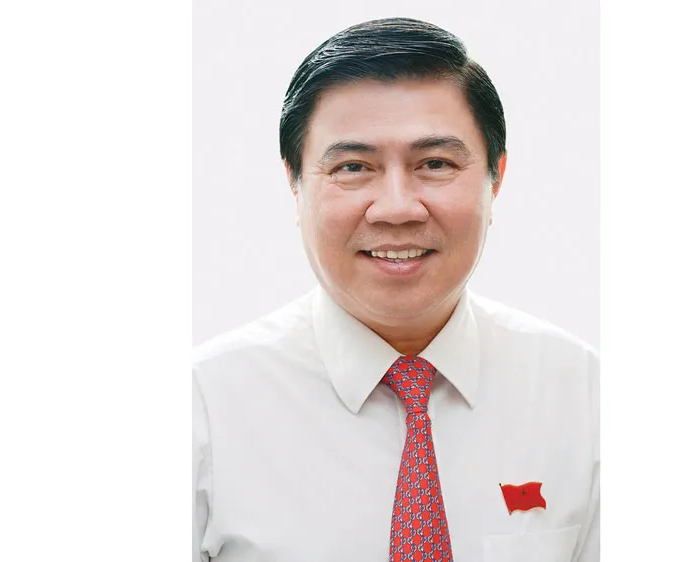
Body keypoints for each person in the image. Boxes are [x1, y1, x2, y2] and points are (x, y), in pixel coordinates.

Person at [193, 17, 599, 562]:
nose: (397, 208)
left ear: (496, 177)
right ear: (294, 182)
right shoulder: (203, 407)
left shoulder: (584, 396)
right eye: (353, 166)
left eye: (435, 163)